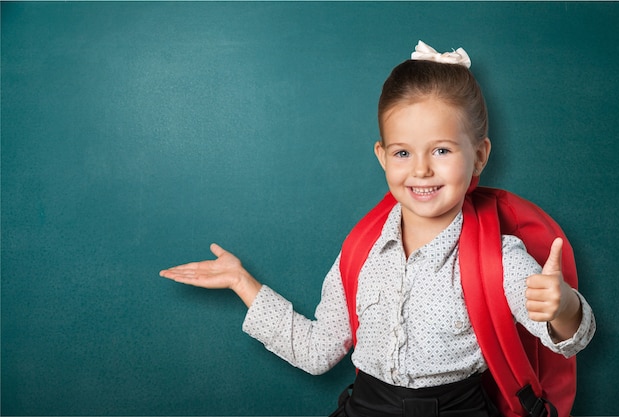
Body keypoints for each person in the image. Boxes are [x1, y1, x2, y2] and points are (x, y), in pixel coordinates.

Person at [160, 41, 595, 416]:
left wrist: (562, 308)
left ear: (479, 156)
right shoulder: (360, 252)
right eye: (403, 152)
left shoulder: (499, 258)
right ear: (382, 156)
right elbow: (316, 353)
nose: (421, 169)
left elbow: (571, 340)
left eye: (441, 149)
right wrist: (242, 282)